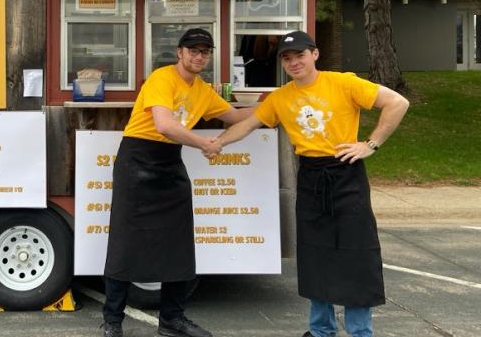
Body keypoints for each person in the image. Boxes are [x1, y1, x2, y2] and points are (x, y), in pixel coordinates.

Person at [215, 30, 410, 337]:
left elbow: (397, 103)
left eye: (300, 55)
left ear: (315, 54)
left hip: (346, 172)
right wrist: (216, 143)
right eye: (287, 58)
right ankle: (321, 330)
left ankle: (360, 332)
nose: (294, 63)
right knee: (314, 254)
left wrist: (369, 145)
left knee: (355, 254)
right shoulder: (280, 98)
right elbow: (246, 124)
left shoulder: (343, 82)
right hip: (310, 176)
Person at [101, 28, 254, 337]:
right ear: (180, 52)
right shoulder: (162, 78)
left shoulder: (202, 89)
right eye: (193, 50)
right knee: (125, 243)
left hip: (170, 162)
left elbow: (237, 117)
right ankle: (112, 321)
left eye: (204, 52)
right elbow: (164, 124)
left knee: (179, 245)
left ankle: (172, 319)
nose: (198, 56)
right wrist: (204, 144)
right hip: (138, 160)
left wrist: (278, 106)